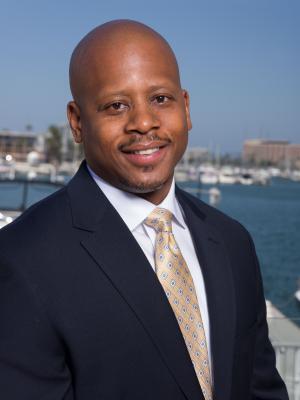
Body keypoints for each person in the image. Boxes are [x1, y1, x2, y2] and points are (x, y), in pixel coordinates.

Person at [0, 20, 288, 400]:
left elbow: (260, 388)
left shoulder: (233, 241)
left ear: (185, 108)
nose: (143, 123)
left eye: (160, 99)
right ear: (77, 122)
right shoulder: (20, 259)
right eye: (116, 105)